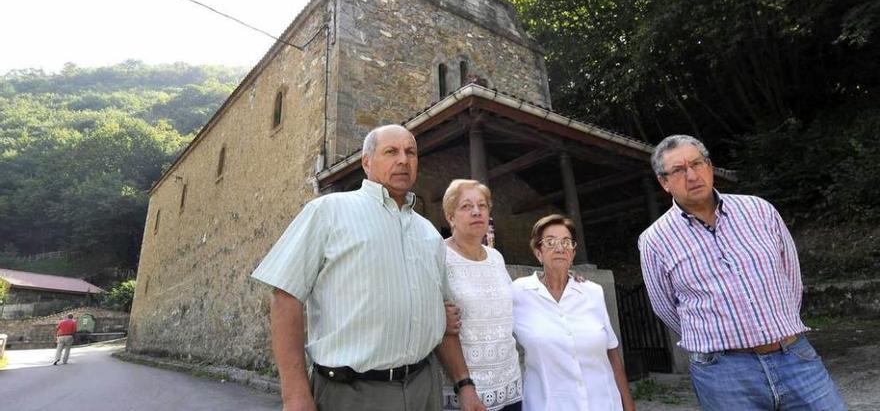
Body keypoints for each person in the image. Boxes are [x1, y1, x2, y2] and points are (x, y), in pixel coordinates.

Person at [251, 124, 482, 411]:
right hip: (351, 394)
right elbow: (285, 297)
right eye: (391, 151)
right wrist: (295, 395)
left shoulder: (430, 234)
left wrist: (464, 384)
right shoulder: (327, 212)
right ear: (367, 161)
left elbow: (443, 318)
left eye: (410, 152)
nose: (403, 160)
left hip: (425, 390)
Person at [639, 134, 846, 410]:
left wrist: (779, 323)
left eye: (697, 164)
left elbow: (791, 277)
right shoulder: (655, 240)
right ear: (664, 182)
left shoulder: (759, 210)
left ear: (710, 167)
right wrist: (716, 339)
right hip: (724, 373)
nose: (692, 175)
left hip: (794, 356)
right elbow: (665, 307)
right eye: (678, 170)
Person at [512, 214, 634, 411]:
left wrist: (628, 405)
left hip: (603, 404)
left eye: (566, 242)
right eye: (550, 242)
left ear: (573, 252)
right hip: (547, 405)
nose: (560, 248)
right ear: (538, 253)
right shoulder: (519, 292)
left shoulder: (592, 292)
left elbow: (611, 352)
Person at [438, 179, 522, 410]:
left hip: (510, 385)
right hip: (467, 393)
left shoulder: (496, 258)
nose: (476, 211)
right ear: (450, 216)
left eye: (482, 205)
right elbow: (440, 326)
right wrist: (464, 386)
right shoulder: (439, 257)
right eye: (466, 206)